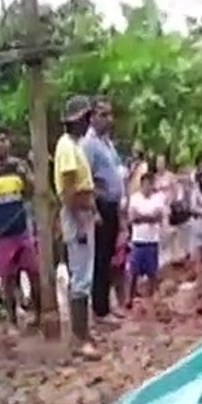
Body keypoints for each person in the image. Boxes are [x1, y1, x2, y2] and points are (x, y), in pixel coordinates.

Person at [0, 126, 41, 334]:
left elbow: (33, 191)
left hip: (22, 230)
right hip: (1, 233)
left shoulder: (19, 165)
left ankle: (38, 314)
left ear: (9, 142)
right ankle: (12, 321)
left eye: (3, 139)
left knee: (34, 272)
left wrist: (25, 177)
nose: (0, 143)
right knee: (8, 280)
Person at [53, 95, 100, 359]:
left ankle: (82, 333)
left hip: (82, 212)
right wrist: (81, 223)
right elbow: (70, 190)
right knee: (81, 278)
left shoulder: (73, 145)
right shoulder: (67, 147)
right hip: (76, 213)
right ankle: (79, 339)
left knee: (84, 275)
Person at [80, 96, 126, 326]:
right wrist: (95, 207)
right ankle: (99, 310)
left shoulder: (107, 143)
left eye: (110, 114)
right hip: (100, 206)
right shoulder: (88, 144)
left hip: (112, 205)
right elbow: (85, 177)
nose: (108, 119)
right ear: (92, 117)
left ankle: (105, 305)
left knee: (108, 256)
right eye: (103, 114)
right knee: (99, 257)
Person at [127, 172, 167, 300]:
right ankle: (130, 299)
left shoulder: (158, 198)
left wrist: (142, 217)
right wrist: (149, 217)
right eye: (147, 183)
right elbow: (132, 217)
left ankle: (152, 299)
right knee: (133, 272)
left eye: (151, 184)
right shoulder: (134, 198)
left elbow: (159, 216)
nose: (149, 186)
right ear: (142, 184)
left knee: (152, 273)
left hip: (152, 240)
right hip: (138, 240)